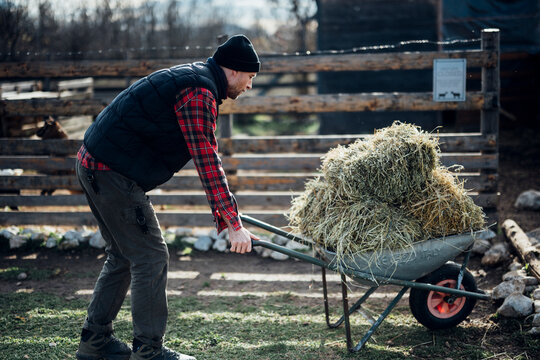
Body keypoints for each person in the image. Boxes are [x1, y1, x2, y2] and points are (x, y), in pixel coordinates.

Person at [75, 34, 261, 360]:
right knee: (151, 256)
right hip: (110, 171)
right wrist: (232, 223)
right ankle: (149, 352)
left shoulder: (196, 80)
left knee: (123, 254)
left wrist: (232, 219)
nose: (249, 86)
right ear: (233, 71)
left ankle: (95, 342)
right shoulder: (198, 91)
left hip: (95, 162)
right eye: (250, 77)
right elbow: (206, 158)